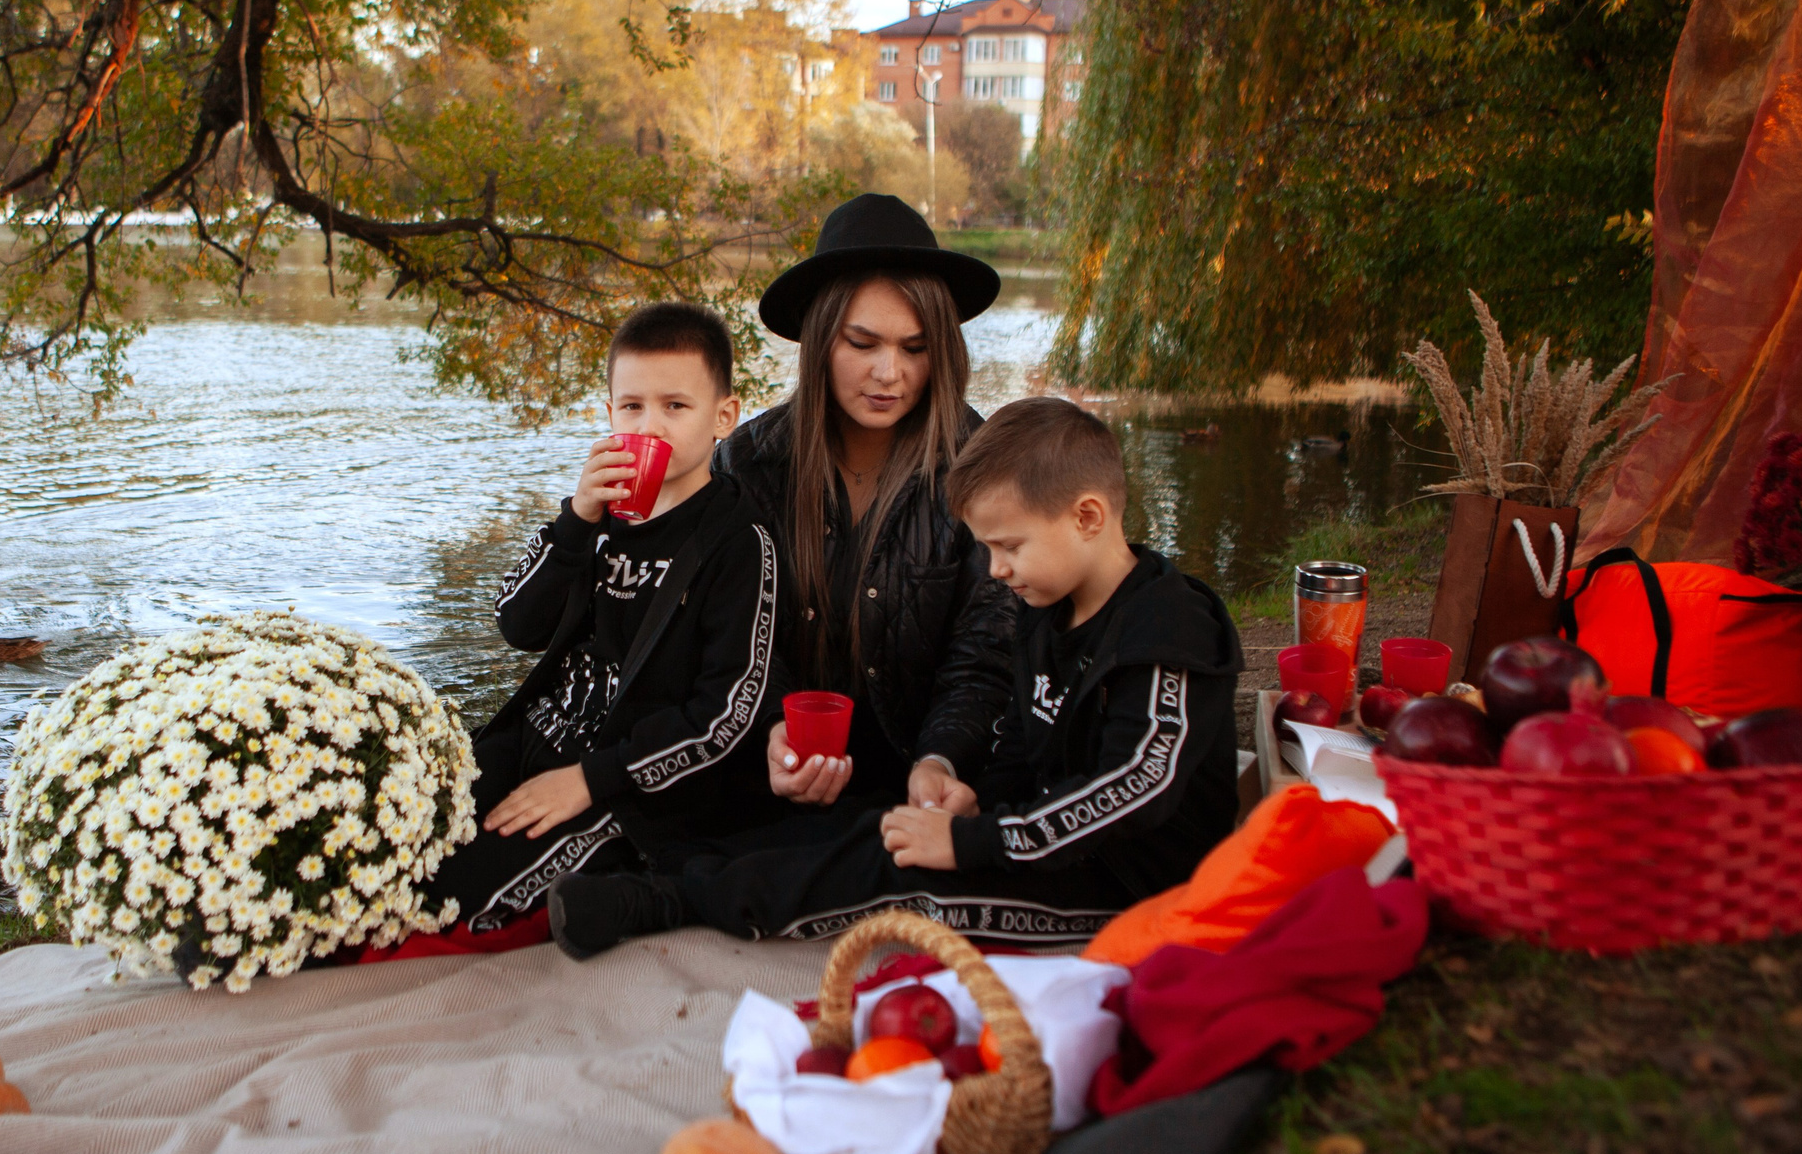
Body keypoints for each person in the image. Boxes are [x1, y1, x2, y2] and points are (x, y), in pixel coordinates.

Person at [546, 395, 1245, 954]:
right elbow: (1023, 741)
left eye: (1008, 546)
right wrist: (970, 798)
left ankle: (668, 902)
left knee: (902, 882)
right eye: (986, 549)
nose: (996, 570)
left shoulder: (1169, 625)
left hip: (1126, 883)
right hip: (1033, 839)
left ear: (1087, 516)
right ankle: (675, 866)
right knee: (879, 825)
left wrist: (974, 842)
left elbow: (1136, 786)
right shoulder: (1048, 610)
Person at [427, 302, 787, 933]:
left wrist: (593, 779)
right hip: (532, 739)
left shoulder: (739, 542)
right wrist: (575, 520)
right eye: (632, 407)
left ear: (723, 417)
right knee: (410, 832)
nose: (651, 427)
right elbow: (516, 624)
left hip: (628, 791)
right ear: (610, 412)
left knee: (457, 903)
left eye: (676, 406)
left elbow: (728, 714)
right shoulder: (596, 520)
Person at [719, 191, 1019, 818]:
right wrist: (771, 728)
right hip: (769, 785)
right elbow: (729, 637)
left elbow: (986, 654)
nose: (890, 373)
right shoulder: (746, 463)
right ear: (819, 341)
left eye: (915, 348)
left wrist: (941, 761)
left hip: (920, 794)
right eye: (863, 343)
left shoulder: (983, 466)